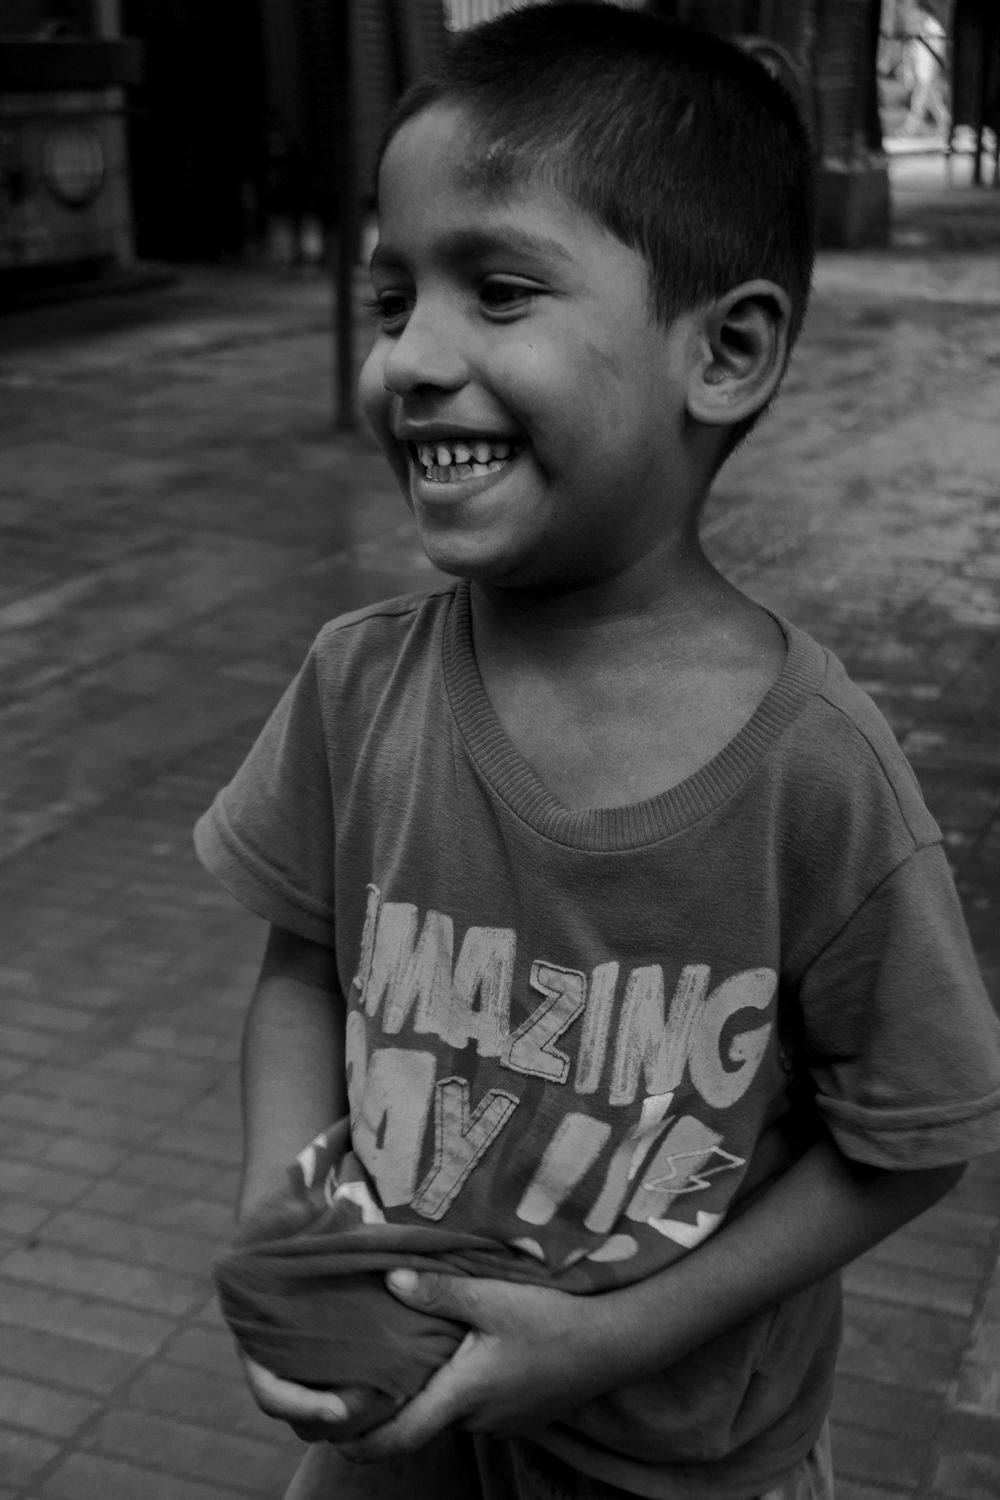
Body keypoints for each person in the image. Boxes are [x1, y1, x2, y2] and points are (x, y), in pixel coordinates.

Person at [193, 5, 1000, 1497]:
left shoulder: (815, 772)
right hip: (397, 1422)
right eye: (392, 298)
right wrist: (280, 1220)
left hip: (682, 1463)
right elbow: (304, 971)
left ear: (726, 352)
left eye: (499, 291)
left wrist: (615, 1339)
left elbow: (908, 1139)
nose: (410, 358)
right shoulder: (356, 686)